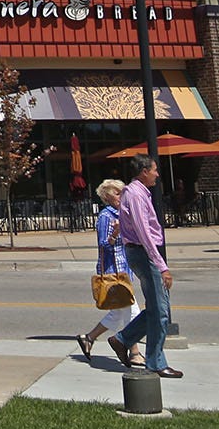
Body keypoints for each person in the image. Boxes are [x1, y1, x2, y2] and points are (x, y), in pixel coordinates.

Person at [111, 155, 182, 379]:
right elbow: (143, 232)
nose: (157, 174)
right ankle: (155, 363)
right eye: (154, 170)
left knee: (155, 308)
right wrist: (162, 266)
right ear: (143, 171)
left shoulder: (135, 193)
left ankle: (122, 339)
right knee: (161, 310)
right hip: (144, 254)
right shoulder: (136, 195)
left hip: (140, 253)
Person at [78, 177, 142, 365]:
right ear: (107, 196)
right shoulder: (106, 216)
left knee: (118, 313)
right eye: (117, 192)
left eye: (122, 192)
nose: (121, 196)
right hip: (113, 270)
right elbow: (103, 245)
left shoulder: (122, 214)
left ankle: (88, 338)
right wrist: (114, 234)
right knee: (133, 312)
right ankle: (135, 352)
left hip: (124, 269)